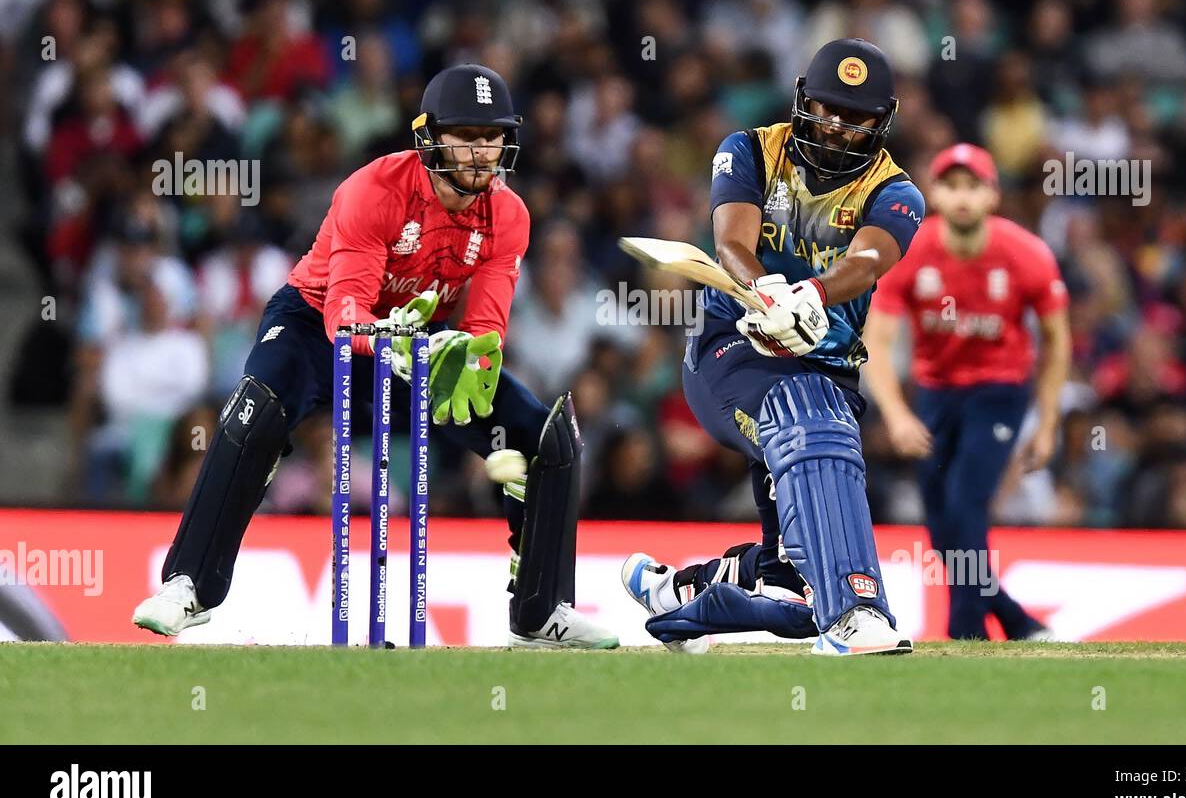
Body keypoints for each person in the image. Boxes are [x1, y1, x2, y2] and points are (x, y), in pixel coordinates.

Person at [132, 64, 617, 649]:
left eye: (491, 137)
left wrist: (472, 360)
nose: (480, 152)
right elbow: (346, 316)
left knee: (549, 439)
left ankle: (542, 612)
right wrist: (404, 340)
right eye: (465, 136)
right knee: (254, 411)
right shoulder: (375, 190)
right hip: (315, 323)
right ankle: (190, 586)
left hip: (421, 339)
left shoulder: (508, 216)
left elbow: (485, 329)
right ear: (430, 137)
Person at [620, 38, 925, 655]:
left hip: (827, 364)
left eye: (857, 119)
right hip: (730, 351)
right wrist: (767, 293)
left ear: (883, 122)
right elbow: (729, 240)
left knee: (794, 583)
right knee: (809, 417)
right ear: (802, 100)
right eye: (827, 111)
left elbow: (867, 260)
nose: (838, 129)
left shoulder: (898, 194)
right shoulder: (751, 150)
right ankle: (857, 612)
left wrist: (812, 296)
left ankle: (682, 591)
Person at [864, 143, 1070, 639]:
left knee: (963, 504)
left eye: (972, 186)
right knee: (941, 527)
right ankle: (1017, 620)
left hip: (998, 391)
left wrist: (1046, 425)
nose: (961, 198)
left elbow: (1059, 341)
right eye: (951, 186)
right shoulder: (910, 251)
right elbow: (877, 338)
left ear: (992, 196)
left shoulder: (1026, 254)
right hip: (935, 393)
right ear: (933, 194)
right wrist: (897, 416)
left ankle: (967, 633)